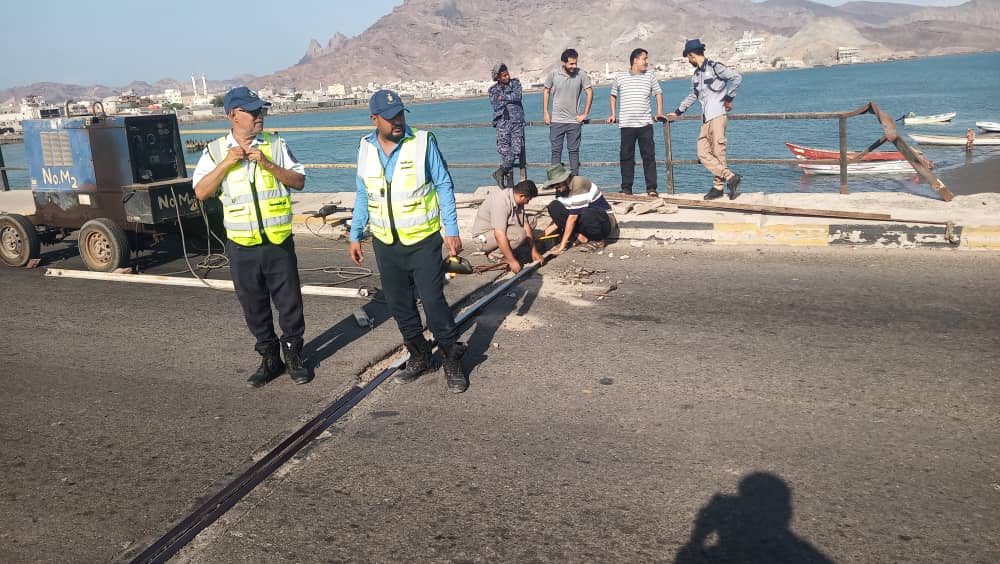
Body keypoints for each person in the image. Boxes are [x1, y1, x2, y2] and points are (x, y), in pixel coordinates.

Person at [349, 90, 469, 394]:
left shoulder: (422, 142)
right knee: (399, 304)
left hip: (422, 241)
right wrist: (355, 232)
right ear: (374, 119)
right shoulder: (365, 147)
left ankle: (450, 355)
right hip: (385, 242)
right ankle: (419, 355)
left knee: (433, 300)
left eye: (400, 115)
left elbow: (443, 184)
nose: (398, 121)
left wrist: (451, 229)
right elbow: (363, 192)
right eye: (391, 118)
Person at [193, 86, 310, 387]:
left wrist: (267, 163)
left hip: (277, 242)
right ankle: (269, 358)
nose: (260, 115)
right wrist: (226, 163)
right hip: (242, 246)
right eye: (253, 111)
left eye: (261, 110)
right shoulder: (214, 151)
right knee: (253, 306)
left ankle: (294, 355)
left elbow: (299, 181)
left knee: (290, 304)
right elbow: (201, 192)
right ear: (233, 114)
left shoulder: (276, 144)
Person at [667, 39, 744, 201]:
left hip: (718, 116)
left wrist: (729, 98)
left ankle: (718, 187)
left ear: (691, 55)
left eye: (688, 58)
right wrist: (678, 112)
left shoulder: (715, 67)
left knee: (718, 153)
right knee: (702, 153)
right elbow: (693, 95)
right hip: (705, 119)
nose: (689, 61)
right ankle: (730, 177)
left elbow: (737, 77)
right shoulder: (696, 75)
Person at [608, 48, 666, 197]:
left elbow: (658, 93)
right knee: (626, 158)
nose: (647, 62)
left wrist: (659, 112)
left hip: (645, 124)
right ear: (635, 60)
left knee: (649, 157)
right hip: (627, 125)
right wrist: (613, 114)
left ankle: (651, 189)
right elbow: (613, 95)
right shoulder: (620, 77)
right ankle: (626, 189)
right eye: (644, 59)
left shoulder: (650, 76)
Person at [541, 163, 618, 254]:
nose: (556, 187)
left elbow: (573, 218)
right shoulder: (560, 190)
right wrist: (541, 235)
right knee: (554, 206)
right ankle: (579, 236)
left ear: (565, 179)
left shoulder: (579, 184)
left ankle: (598, 240)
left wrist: (562, 246)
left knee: (586, 212)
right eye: (553, 185)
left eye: (557, 184)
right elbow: (559, 219)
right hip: (583, 221)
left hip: (604, 222)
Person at [470, 180, 545, 273]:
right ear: (522, 196)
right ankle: (495, 254)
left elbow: (525, 224)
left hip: (496, 231)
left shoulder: (516, 197)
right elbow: (499, 234)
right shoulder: (501, 203)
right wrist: (512, 261)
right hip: (482, 239)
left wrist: (534, 251)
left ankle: (506, 249)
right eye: (528, 200)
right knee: (520, 234)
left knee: (532, 221)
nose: (527, 203)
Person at [543, 48, 593, 176]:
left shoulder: (581, 74)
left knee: (574, 152)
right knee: (556, 152)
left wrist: (585, 114)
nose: (574, 66)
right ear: (563, 63)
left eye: (575, 63)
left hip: (574, 121)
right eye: (571, 63)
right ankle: (555, 181)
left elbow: (589, 92)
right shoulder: (553, 74)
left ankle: (575, 180)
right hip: (556, 121)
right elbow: (546, 91)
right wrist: (546, 112)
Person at [488, 63, 525, 189]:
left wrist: (503, 97)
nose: (507, 77)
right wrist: (508, 98)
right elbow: (495, 105)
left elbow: (518, 96)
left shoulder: (515, 83)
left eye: (507, 74)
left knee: (516, 150)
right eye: (504, 76)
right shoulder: (492, 90)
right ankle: (509, 184)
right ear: (498, 77)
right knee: (505, 151)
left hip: (516, 122)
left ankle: (500, 171)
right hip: (502, 123)